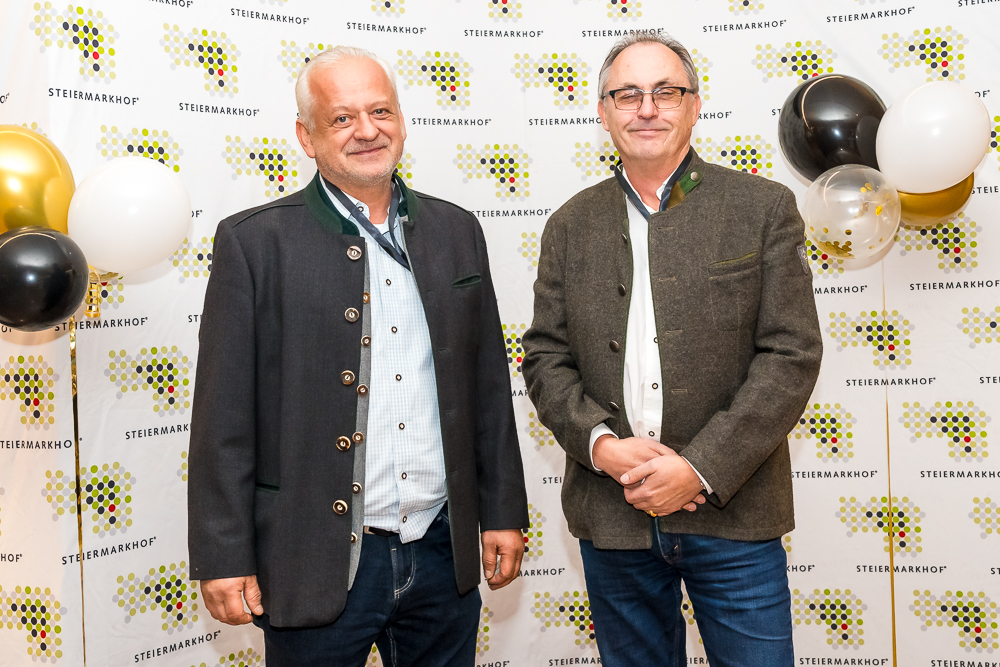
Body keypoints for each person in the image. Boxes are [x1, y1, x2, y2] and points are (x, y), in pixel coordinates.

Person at [187, 46, 529, 667]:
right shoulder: (254, 242)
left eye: (381, 111)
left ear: (402, 119)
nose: (367, 131)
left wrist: (502, 512)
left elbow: (486, 388)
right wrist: (223, 554)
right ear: (306, 137)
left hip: (441, 551)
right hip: (312, 557)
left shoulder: (457, 230)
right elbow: (223, 418)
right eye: (342, 118)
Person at [521, 33, 822, 667]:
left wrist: (699, 468)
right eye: (628, 94)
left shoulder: (763, 208)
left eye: (666, 92)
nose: (647, 109)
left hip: (734, 517)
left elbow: (790, 354)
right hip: (614, 518)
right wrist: (603, 448)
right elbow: (546, 357)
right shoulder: (570, 225)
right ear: (603, 112)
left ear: (694, 105)